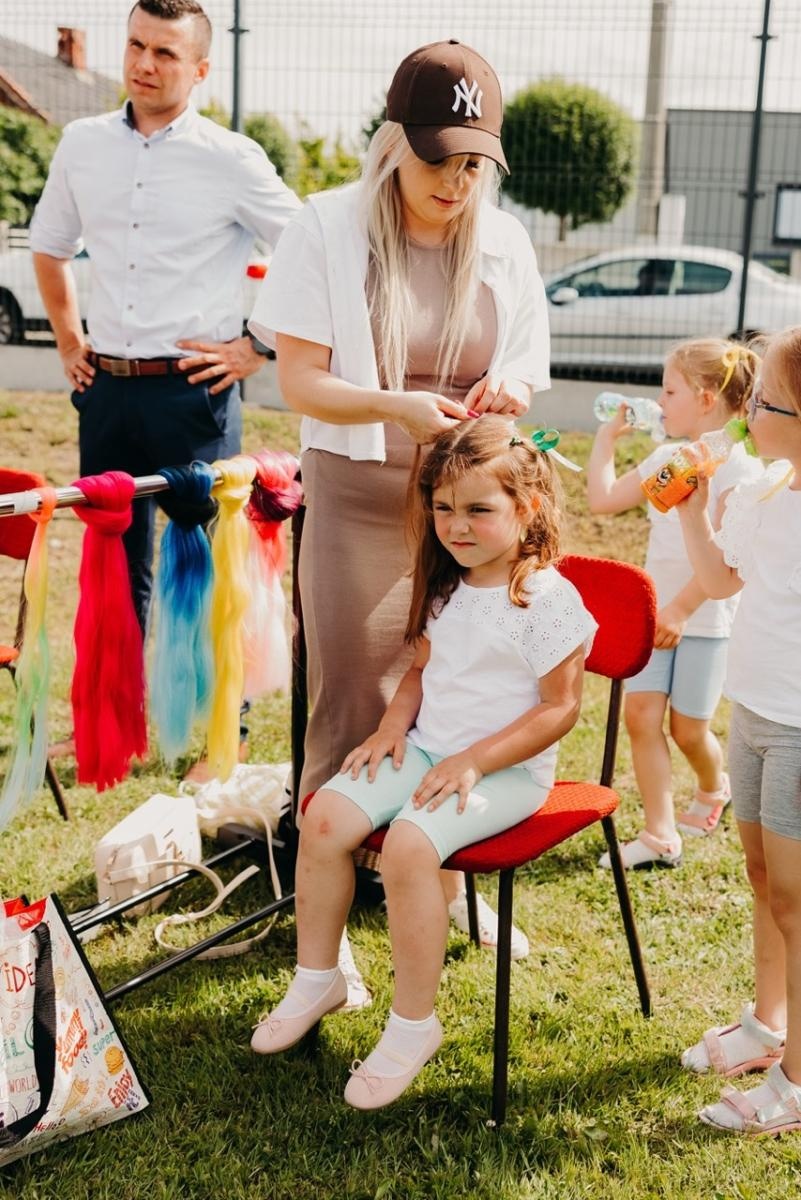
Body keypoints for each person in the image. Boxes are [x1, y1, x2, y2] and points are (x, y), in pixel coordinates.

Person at [249, 39, 551, 964]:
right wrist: (392, 406)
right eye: (436, 157)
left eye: (473, 162)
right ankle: (324, 926)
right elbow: (297, 382)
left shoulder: (503, 240)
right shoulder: (325, 225)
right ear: (392, 141)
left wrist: (506, 395)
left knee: (464, 698)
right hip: (357, 494)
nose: (454, 182)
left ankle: (445, 883)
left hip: (468, 510)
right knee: (349, 703)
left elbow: (529, 365)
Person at [249, 415, 596, 1108]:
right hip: (429, 749)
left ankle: (413, 1024)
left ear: (526, 509)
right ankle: (319, 977)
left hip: (505, 772)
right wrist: (389, 727)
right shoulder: (445, 582)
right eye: (442, 507)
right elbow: (420, 670)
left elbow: (559, 709)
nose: (455, 525)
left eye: (477, 509)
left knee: (409, 848)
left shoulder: (547, 599)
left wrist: (473, 759)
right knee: (321, 818)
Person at [29, 0, 301, 635]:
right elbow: (49, 245)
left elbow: (308, 250)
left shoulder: (231, 158)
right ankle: (114, 722)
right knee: (111, 566)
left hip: (192, 394)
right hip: (104, 389)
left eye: (165, 53)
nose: (144, 64)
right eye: (135, 45)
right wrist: (70, 341)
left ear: (201, 69)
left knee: (203, 560)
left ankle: (216, 724)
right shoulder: (81, 144)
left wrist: (256, 346)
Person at [674, 327, 801, 1135]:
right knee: (765, 883)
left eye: (761, 403)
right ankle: (767, 1024)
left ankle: (794, 1080)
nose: (747, 410)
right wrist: (692, 506)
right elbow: (721, 578)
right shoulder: (767, 493)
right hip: (752, 711)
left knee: (797, 901)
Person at [586, 339, 763, 870]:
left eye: (669, 390)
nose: (659, 402)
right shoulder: (668, 458)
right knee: (642, 717)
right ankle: (660, 834)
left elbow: (727, 560)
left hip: (705, 621)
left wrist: (682, 611)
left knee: (689, 729)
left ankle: (713, 787)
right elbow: (602, 500)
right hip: (655, 616)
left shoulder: (739, 472)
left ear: (706, 398)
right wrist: (604, 438)